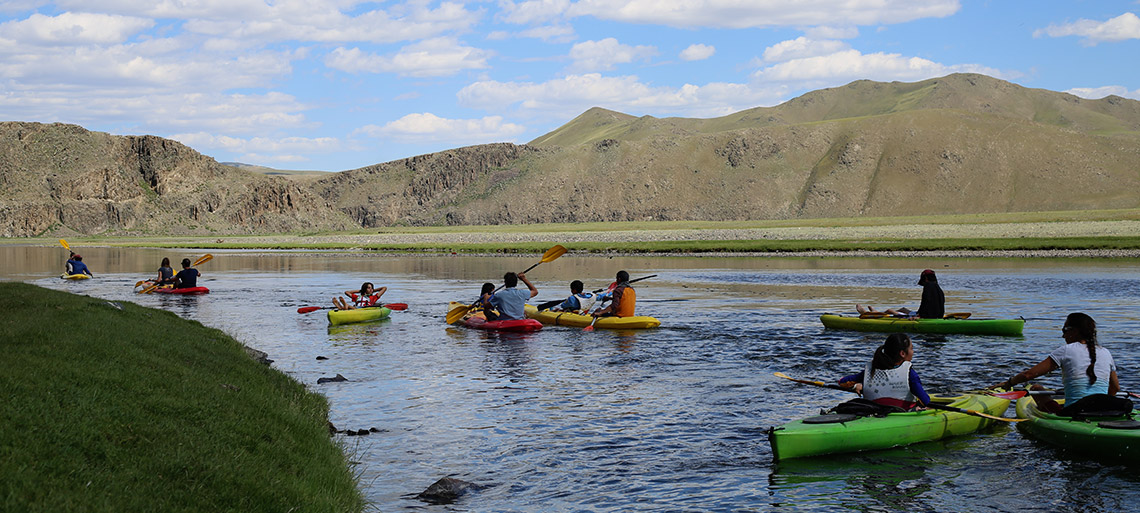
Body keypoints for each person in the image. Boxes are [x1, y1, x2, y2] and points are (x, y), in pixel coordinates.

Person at [992, 313, 1120, 414]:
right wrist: (1100, 404)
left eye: (1065, 330)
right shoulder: (1106, 352)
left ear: (1075, 331)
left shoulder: (1066, 350)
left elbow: (1028, 375)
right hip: (1103, 409)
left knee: (1036, 388)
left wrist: (1008, 383)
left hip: (1075, 412)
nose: (1063, 336)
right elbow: (1115, 389)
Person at [838, 333, 930, 410]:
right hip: (901, 415)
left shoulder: (871, 370)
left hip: (873, 413)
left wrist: (856, 386)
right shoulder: (909, 373)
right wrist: (919, 405)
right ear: (902, 353)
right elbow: (925, 400)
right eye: (911, 348)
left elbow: (842, 382)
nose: (913, 352)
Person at [855, 269, 945, 319]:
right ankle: (874, 312)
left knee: (890, 311)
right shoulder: (937, 288)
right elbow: (940, 305)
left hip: (925, 317)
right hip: (933, 315)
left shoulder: (928, 287)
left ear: (925, 278)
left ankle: (868, 314)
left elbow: (926, 303)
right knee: (903, 309)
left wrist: (919, 316)